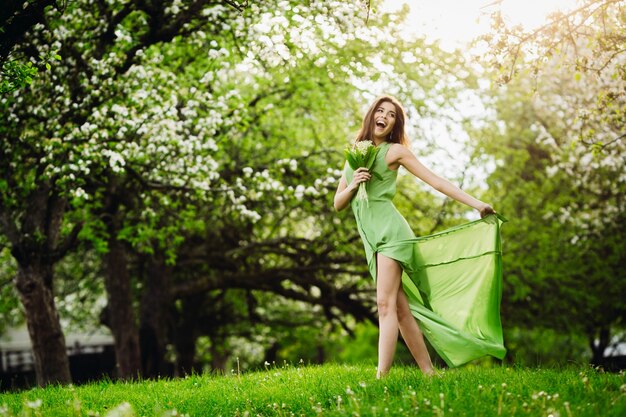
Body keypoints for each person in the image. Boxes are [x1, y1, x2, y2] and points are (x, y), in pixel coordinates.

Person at [334, 95, 503, 378]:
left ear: (394, 125)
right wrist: (353, 184)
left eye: (391, 115)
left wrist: (477, 204)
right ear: (371, 114)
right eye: (380, 110)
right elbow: (338, 203)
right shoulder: (355, 154)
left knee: (384, 304)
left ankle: (381, 377)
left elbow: (435, 180)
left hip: (391, 235)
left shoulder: (395, 152)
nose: (384, 117)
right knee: (399, 310)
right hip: (371, 240)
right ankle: (428, 372)